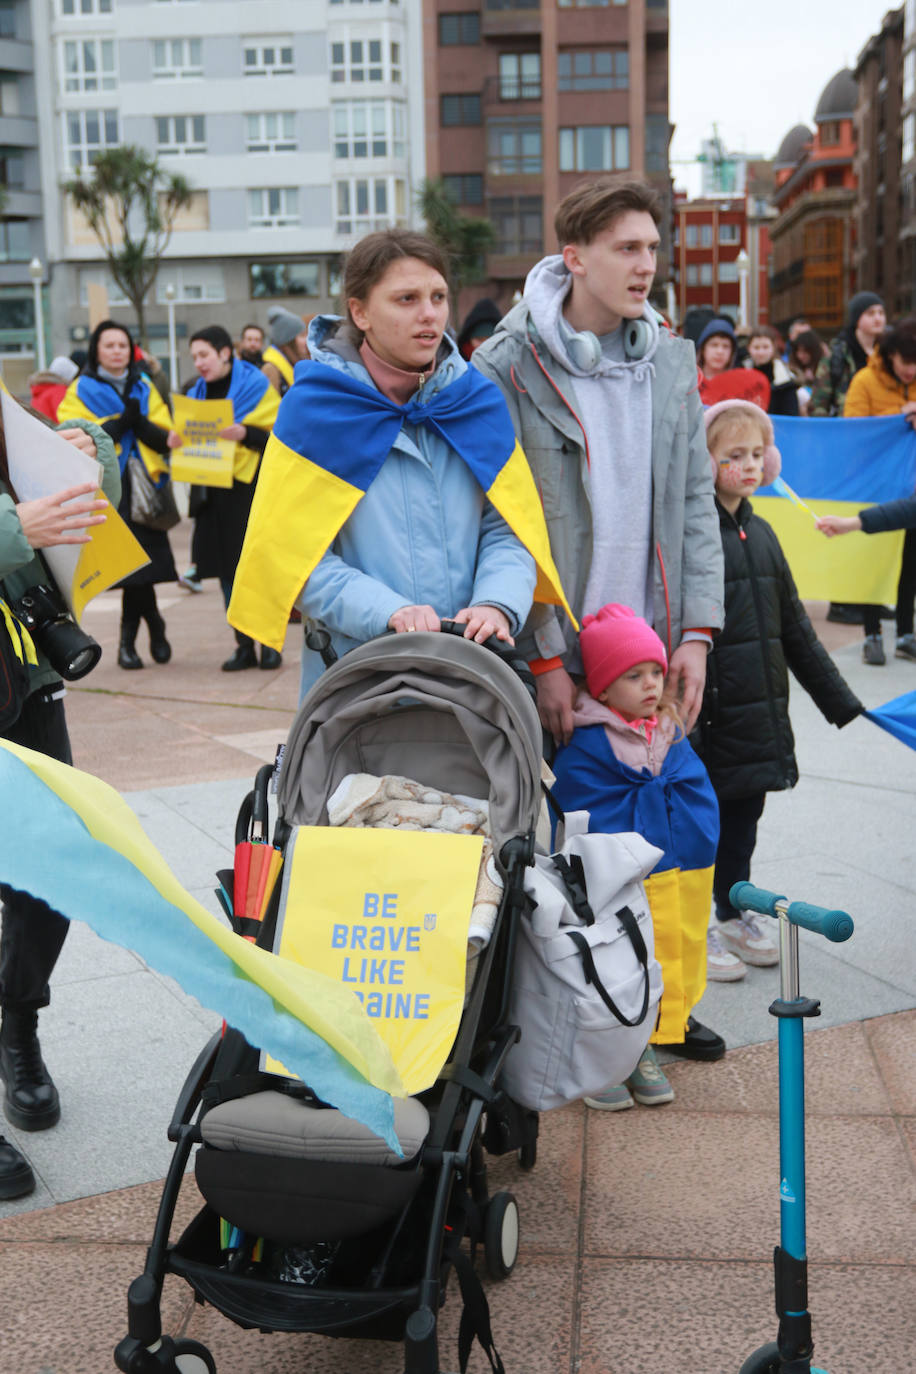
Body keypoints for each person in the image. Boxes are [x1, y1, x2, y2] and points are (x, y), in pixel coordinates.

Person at [227, 228, 568, 700]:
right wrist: (387, 611)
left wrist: (496, 604)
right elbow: (295, 560)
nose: (429, 314)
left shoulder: (475, 402)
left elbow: (508, 530)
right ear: (359, 311)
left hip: (476, 681)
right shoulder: (315, 409)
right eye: (406, 299)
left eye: (438, 296)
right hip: (359, 687)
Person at [472, 180, 723, 733]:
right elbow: (505, 521)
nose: (646, 265)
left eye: (652, 248)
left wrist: (698, 634)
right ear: (575, 259)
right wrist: (544, 657)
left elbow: (696, 502)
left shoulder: (673, 364)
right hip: (555, 661)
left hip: (652, 660)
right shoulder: (504, 366)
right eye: (627, 248)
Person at [693, 400, 863, 982]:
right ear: (706, 460)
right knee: (701, 821)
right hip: (707, 714)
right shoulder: (695, 533)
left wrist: (841, 701)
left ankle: (733, 911)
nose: (747, 465)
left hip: (759, 712)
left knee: (744, 817)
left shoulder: (762, 533)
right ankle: (693, 927)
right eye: (732, 455)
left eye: (756, 454)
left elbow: (794, 627)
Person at [0, 403, 119, 1199]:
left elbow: (77, 448)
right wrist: (16, 527)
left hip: (26, 684)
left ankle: (18, 1023)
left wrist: (88, 450)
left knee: (55, 882)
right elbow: (23, 526)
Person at [551, 604, 723, 1105]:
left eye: (656, 673)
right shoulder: (585, 744)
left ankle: (651, 1036)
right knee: (617, 957)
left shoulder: (670, 732)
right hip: (622, 880)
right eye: (634, 676)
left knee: (670, 946)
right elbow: (581, 801)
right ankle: (611, 1053)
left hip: (674, 868)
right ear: (601, 688)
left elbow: (694, 791)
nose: (651, 685)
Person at [58, 320, 180, 670]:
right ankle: (151, 629)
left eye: (123, 346)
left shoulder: (144, 384)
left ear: (131, 350)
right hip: (108, 490)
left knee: (140, 570)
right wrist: (118, 423)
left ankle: (130, 643)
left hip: (143, 489)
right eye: (109, 345)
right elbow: (70, 436)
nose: (116, 351)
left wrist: (137, 422)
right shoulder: (80, 388)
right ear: (96, 349)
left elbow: (164, 437)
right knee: (133, 571)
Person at [179, 326, 282, 671]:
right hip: (213, 493)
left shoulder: (255, 386)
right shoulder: (195, 393)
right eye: (195, 357)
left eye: (204, 355)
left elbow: (282, 437)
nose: (199, 363)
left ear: (225, 352)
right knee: (226, 573)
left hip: (248, 490)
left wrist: (246, 433)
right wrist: (178, 443)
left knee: (255, 570)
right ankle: (242, 646)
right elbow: (190, 439)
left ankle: (269, 644)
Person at [839, 317, 916, 665]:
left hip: (910, 485)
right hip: (873, 484)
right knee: (872, 557)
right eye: (905, 363)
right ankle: (872, 632)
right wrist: (896, 417)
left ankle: (905, 632)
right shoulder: (865, 380)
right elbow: (854, 430)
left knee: (909, 560)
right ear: (891, 355)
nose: (911, 372)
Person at [810, 290, 886, 417]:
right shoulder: (837, 354)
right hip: (848, 427)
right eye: (870, 313)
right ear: (856, 318)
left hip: (883, 428)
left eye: (881, 313)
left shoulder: (890, 353)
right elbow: (819, 404)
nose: (878, 318)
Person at [696, 317, 770, 408]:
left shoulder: (742, 383)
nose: (720, 351)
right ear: (703, 349)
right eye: (714, 345)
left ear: (732, 352)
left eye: (726, 346)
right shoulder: (689, 380)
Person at [745, 326, 799, 416]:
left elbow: (791, 414)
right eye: (756, 347)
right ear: (749, 348)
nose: (761, 352)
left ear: (773, 347)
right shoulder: (741, 373)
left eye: (765, 347)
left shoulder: (785, 379)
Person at [260, 307, 310, 396]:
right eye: (301, 335)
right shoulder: (271, 369)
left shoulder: (291, 363)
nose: (306, 340)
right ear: (288, 341)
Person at [28, 356, 79, 424]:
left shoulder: (42, 389)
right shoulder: (60, 391)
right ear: (67, 377)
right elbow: (66, 421)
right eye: (74, 377)